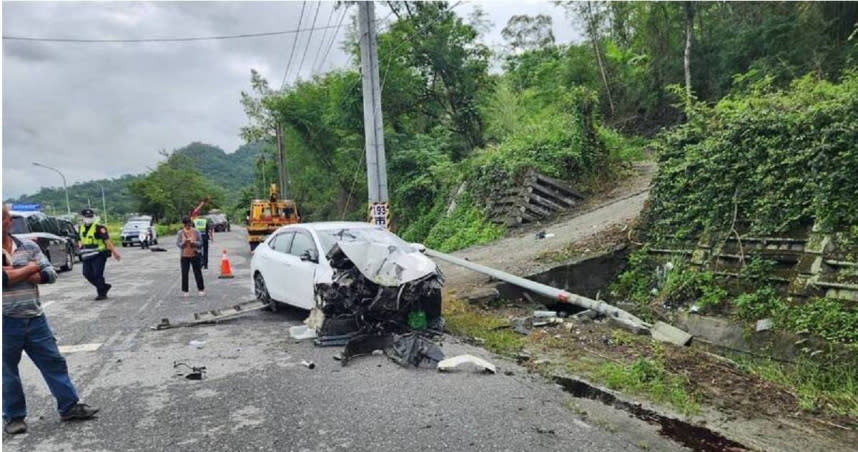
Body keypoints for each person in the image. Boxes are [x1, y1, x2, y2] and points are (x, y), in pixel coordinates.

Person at [3, 204, 99, 435]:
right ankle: (14, 417)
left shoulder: (28, 245)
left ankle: (69, 406)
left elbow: (50, 273)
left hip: (35, 317)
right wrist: (30, 269)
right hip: (5, 321)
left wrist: (20, 271)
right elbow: (3, 279)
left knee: (54, 362)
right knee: (7, 371)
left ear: (8, 221)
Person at [78, 208, 120, 300]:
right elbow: (80, 239)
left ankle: (101, 293)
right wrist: (80, 246)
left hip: (99, 254)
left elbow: (107, 241)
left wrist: (115, 253)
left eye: (90, 216)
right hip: (87, 254)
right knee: (86, 273)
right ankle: (104, 286)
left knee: (97, 274)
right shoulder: (80, 228)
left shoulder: (99, 228)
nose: (88, 218)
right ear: (82, 217)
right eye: (86, 217)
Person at [177, 217, 205, 297]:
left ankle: (201, 289)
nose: (188, 226)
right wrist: (184, 243)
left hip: (194, 254)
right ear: (184, 224)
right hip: (184, 255)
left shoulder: (196, 231)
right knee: (184, 273)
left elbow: (201, 243)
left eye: (189, 224)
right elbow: (178, 244)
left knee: (198, 272)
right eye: (186, 225)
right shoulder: (180, 233)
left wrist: (194, 243)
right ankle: (185, 290)